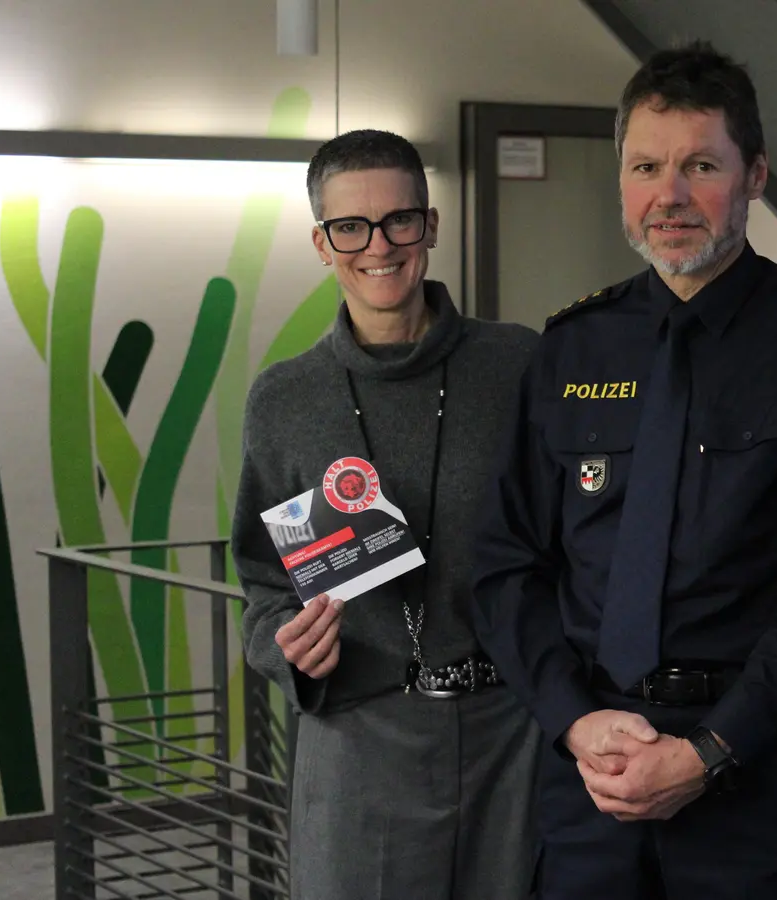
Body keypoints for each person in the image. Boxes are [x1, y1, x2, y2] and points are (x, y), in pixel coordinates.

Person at [472, 41, 777, 899]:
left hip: (749, 769)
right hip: (592, 771)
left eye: (700, 164)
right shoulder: (569, 346)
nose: (669, 195)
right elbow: (504, 565)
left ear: (755, 175)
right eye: (646, 166)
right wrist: (573, 721)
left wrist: (710, 750)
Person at [231, 129, 541, 900]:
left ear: (430, 226)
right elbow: (263, 588)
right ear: (321, 241)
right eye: (350, 227)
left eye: (400, 220)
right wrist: (286, 647)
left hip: (515, 729)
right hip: (359, 735)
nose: (379, 245)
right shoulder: (285, 400)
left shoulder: (520, 366)